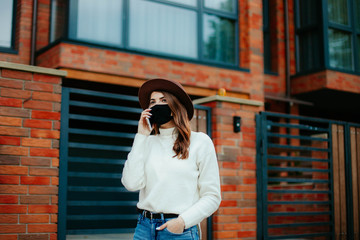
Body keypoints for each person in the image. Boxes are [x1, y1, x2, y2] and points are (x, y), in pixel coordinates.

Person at [121, 78, 221, 240]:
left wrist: (182, 222)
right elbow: (131, 184)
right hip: (144, 228)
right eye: (152, 102)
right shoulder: (146, 142)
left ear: (175, 107)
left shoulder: (199, 142)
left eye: (163, 100)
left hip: (178, 231)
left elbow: (212, 196)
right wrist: (141, 136)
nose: (156, 105)